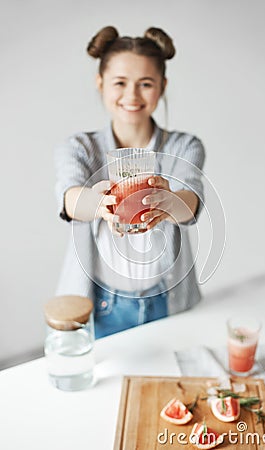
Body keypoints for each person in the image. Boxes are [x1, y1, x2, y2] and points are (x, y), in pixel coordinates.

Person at [54, 26, 205, 339]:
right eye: (120, 83)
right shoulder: (80, 147)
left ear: (162, 86)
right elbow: (70, 198)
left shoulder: (184, 146)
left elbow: (191, 202)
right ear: (100, 84)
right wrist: (99, 204)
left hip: (166, 298)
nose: (132, 96)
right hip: (100, 303)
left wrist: (170, 201)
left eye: (145, 84)